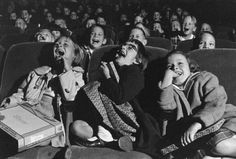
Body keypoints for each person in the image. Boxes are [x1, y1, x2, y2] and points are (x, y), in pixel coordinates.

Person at [69, 39, 162, 158]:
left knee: (95, 87)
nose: (123, 47)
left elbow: (120, 97)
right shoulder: (115, 71)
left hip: (129, 120)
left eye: (130, 48)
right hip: (107, 119)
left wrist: (107, 76)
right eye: (123, 45)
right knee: (77, 126)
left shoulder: (135, 72)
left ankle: (111, 136)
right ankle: (107, 137)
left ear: (137, 60)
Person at [1, 36, 85, 147]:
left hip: (50, 123)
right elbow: (21, 94)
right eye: (57, 44)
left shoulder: (76, 75)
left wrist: (67, 69)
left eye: (65, 44)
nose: (59, 46)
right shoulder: (38, 73)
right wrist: (9, 103)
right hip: (29, 113)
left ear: (74, 55)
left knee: (39, 137)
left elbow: (71, 97)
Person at [157, 51, 236, 158]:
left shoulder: (204, 78)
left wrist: (197, 124)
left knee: (220, 145)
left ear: (190, 67)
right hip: (199, 135)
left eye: (180, 63)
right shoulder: (171, 91)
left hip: (223, 121)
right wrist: (167, 79)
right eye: (169, 66)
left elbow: (216, 103)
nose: (175, 67)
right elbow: (166, 107)